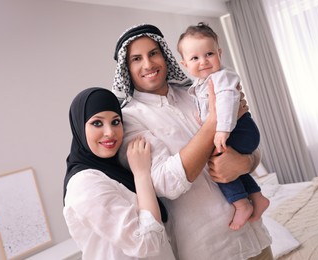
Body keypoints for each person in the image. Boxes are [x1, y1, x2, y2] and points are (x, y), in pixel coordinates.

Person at [112, 24, 273, 260]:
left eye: (153, 53)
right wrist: (213, 123)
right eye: (137, 58)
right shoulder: (129, 120)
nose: (148, 64)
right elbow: (164, 182)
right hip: (210, 248)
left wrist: (245, 162)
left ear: (165, 55)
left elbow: (246, 144)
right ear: (126, 68)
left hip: (254, 237)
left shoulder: (198, 91)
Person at [63, 87, 175, 259]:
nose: (110, 132)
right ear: (79, 127)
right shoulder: (85, 185)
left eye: (116, 122)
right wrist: (141, 174)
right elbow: (147, 243)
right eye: (97, 123)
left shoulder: (114, 170)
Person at [177, 22, 270, 231]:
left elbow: (227, 101)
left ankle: (241, 204)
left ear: (219, 53)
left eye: (209, 54)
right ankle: (256, 196)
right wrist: (202, 119)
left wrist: (222, 130)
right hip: (235, 129)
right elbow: (211, 108)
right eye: (195, 58)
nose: (203, 62)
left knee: (215, 161)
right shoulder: (201, 83)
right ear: (184, 64)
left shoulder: (222, 77)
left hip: (239, 129)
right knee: (230, 164)